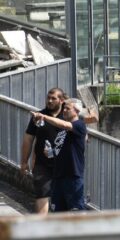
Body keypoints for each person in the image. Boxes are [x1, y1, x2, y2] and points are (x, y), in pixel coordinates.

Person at [32, 99, 88, 212]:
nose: (64, 110)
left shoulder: (79, 125)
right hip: (58, 176)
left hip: (73, 175)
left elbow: (64, 124)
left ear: (76, 111)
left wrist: (44, 117)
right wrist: (49, 152)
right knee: (58, 212)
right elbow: (56, 151)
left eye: (68, 108)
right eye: (64, 108)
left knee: (76, 211)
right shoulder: (62, 132)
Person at [20, 87, 65, 215]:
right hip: (42, 164)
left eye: (53, 98)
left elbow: (79, 125)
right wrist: (24, 162)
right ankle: (42, 228)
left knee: (61, 201)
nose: (49, 101)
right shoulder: (38, 116)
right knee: (42, 194)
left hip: (64, 166)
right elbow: (28, 139)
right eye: (48, 98)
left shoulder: (67, 115)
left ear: (61, 100)